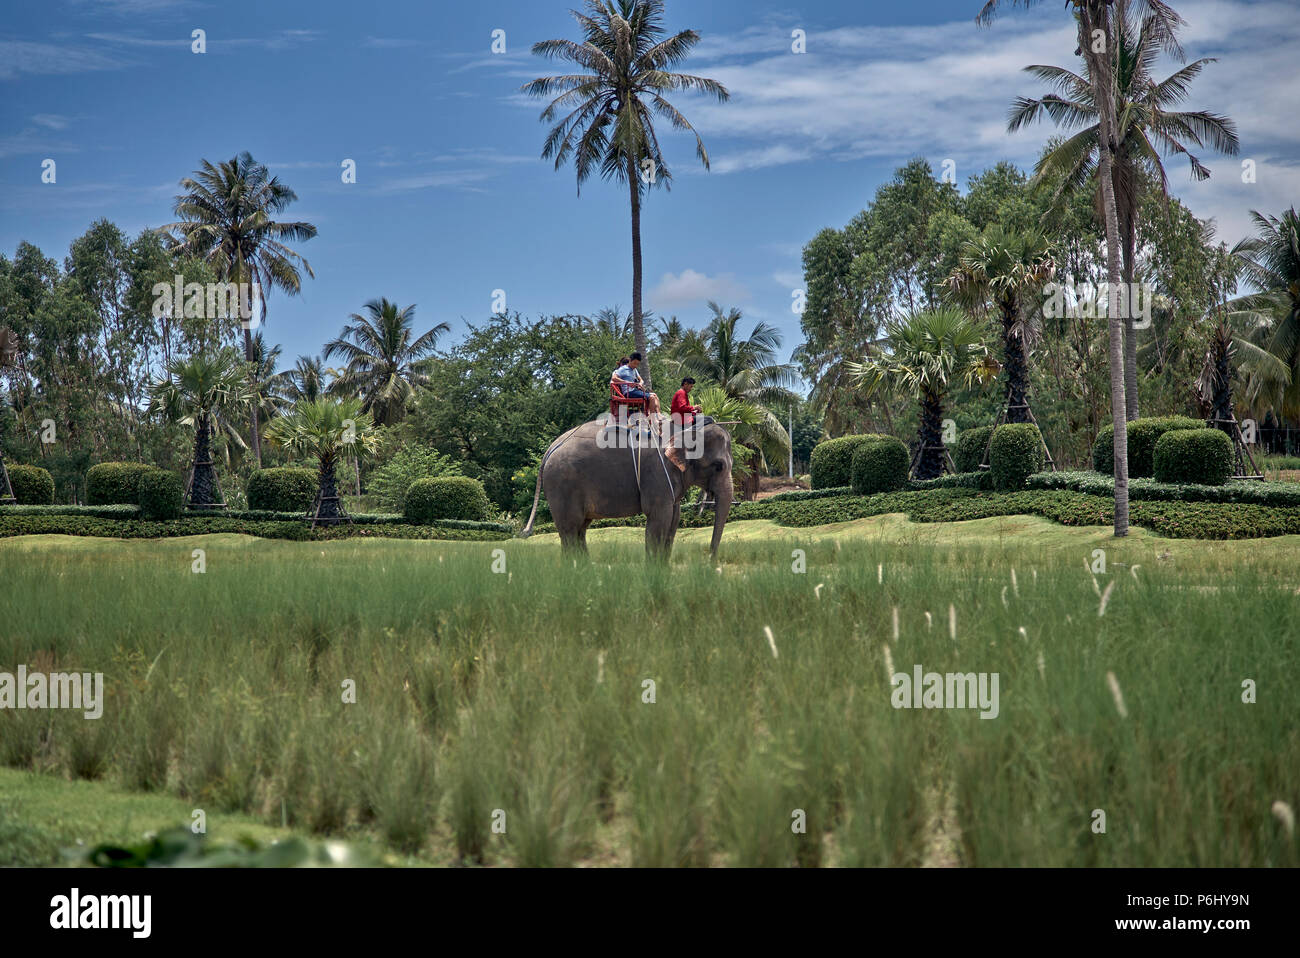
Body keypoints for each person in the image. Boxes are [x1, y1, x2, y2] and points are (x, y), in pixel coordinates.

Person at [665, 377, 701, 470]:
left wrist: (694, 412)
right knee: (707, 420)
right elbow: (682, 407)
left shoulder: (682, 393)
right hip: (681, 420)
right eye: (690, 386)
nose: (691, 388)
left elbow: (684, 409)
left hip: (683, 418)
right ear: (685, 384)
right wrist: (694, 407)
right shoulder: (681, 393)